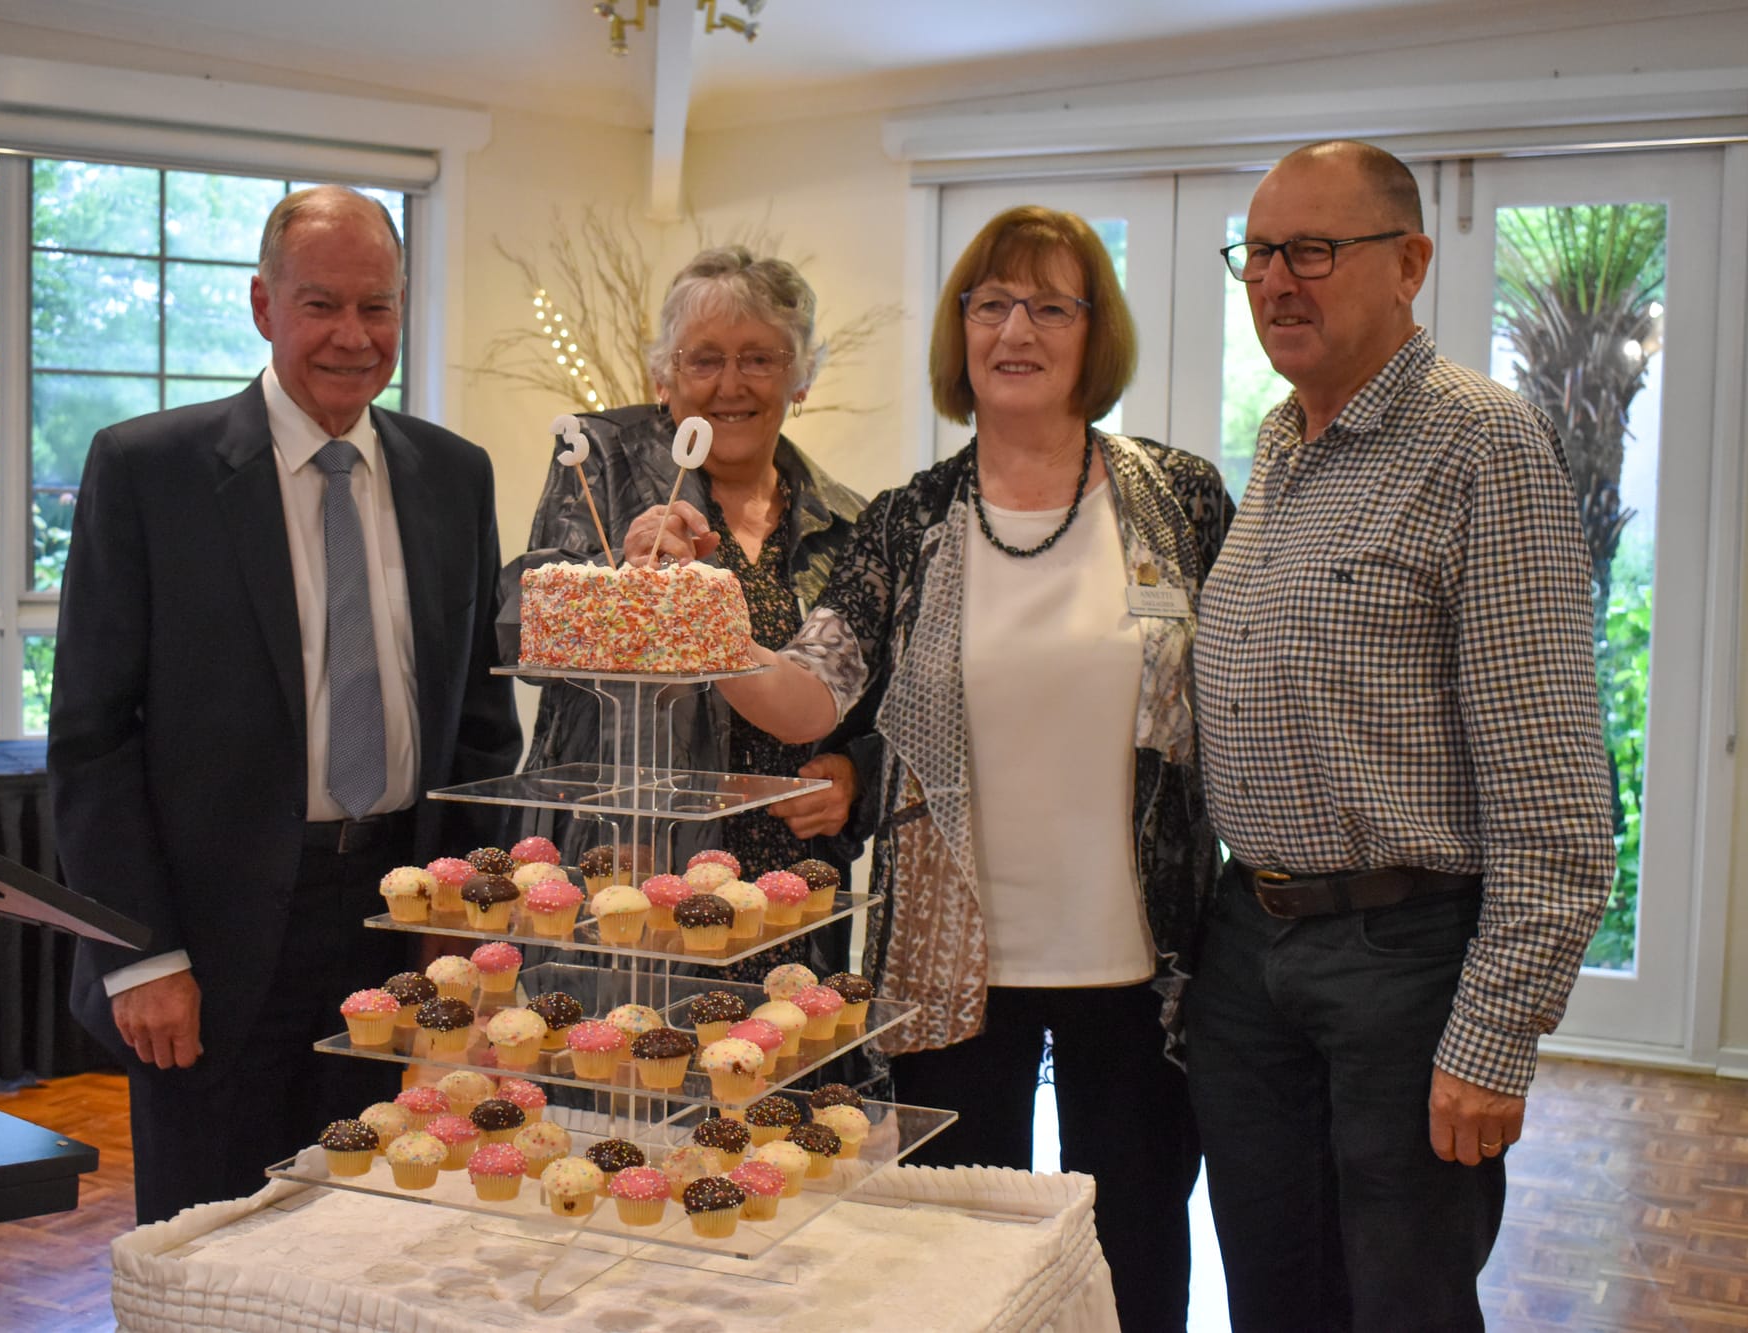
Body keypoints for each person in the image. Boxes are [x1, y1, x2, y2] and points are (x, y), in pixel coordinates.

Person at [708, 206, 1231, 1332]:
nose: (1015, 329)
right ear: (960, 332)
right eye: (989, 303)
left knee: (1135, 1259)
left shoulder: (1179, 502)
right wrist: (696, 626)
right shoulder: (910, 522)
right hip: (953, 979)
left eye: (1050, 304)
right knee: (951, 1269)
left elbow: (1251, 697)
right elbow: (810, 690)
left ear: (1096, 332)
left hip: (1148, 972)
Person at [1188, 140, 1616, 1331]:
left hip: (1403, 963)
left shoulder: (1479, 446)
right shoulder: (1280, 443)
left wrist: (1492, 1036)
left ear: (1408, 262)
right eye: (1257, 253)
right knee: (1272, 1292)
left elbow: (1557, 797)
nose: (1277, 280)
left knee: (1401, 1303)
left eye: (1312, 250)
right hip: (1249, 949)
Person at [49, 185, 522, 1224]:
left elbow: (482, 727)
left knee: (366, 1228)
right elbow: (92, 742)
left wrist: (467, 918)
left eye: (377, 307)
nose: (353, 337)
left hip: (398, 925)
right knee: (206, 1238)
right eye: (322, 305)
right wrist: (142, 957)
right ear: (263, 305)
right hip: (208, 949)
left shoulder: (453, 474)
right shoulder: (149, 471)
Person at [504, 246, 880, 997]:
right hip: (637, 875)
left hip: (784, 890)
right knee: (625, 1081)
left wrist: (854, 777)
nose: (730, 385)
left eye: (760, 359)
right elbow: (521, 624)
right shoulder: (603, 460)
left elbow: (875, 703)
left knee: (776, 1092)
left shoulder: (848, 522)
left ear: (801, 376)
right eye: (703, 359)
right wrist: (621, 583)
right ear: (663, 377)